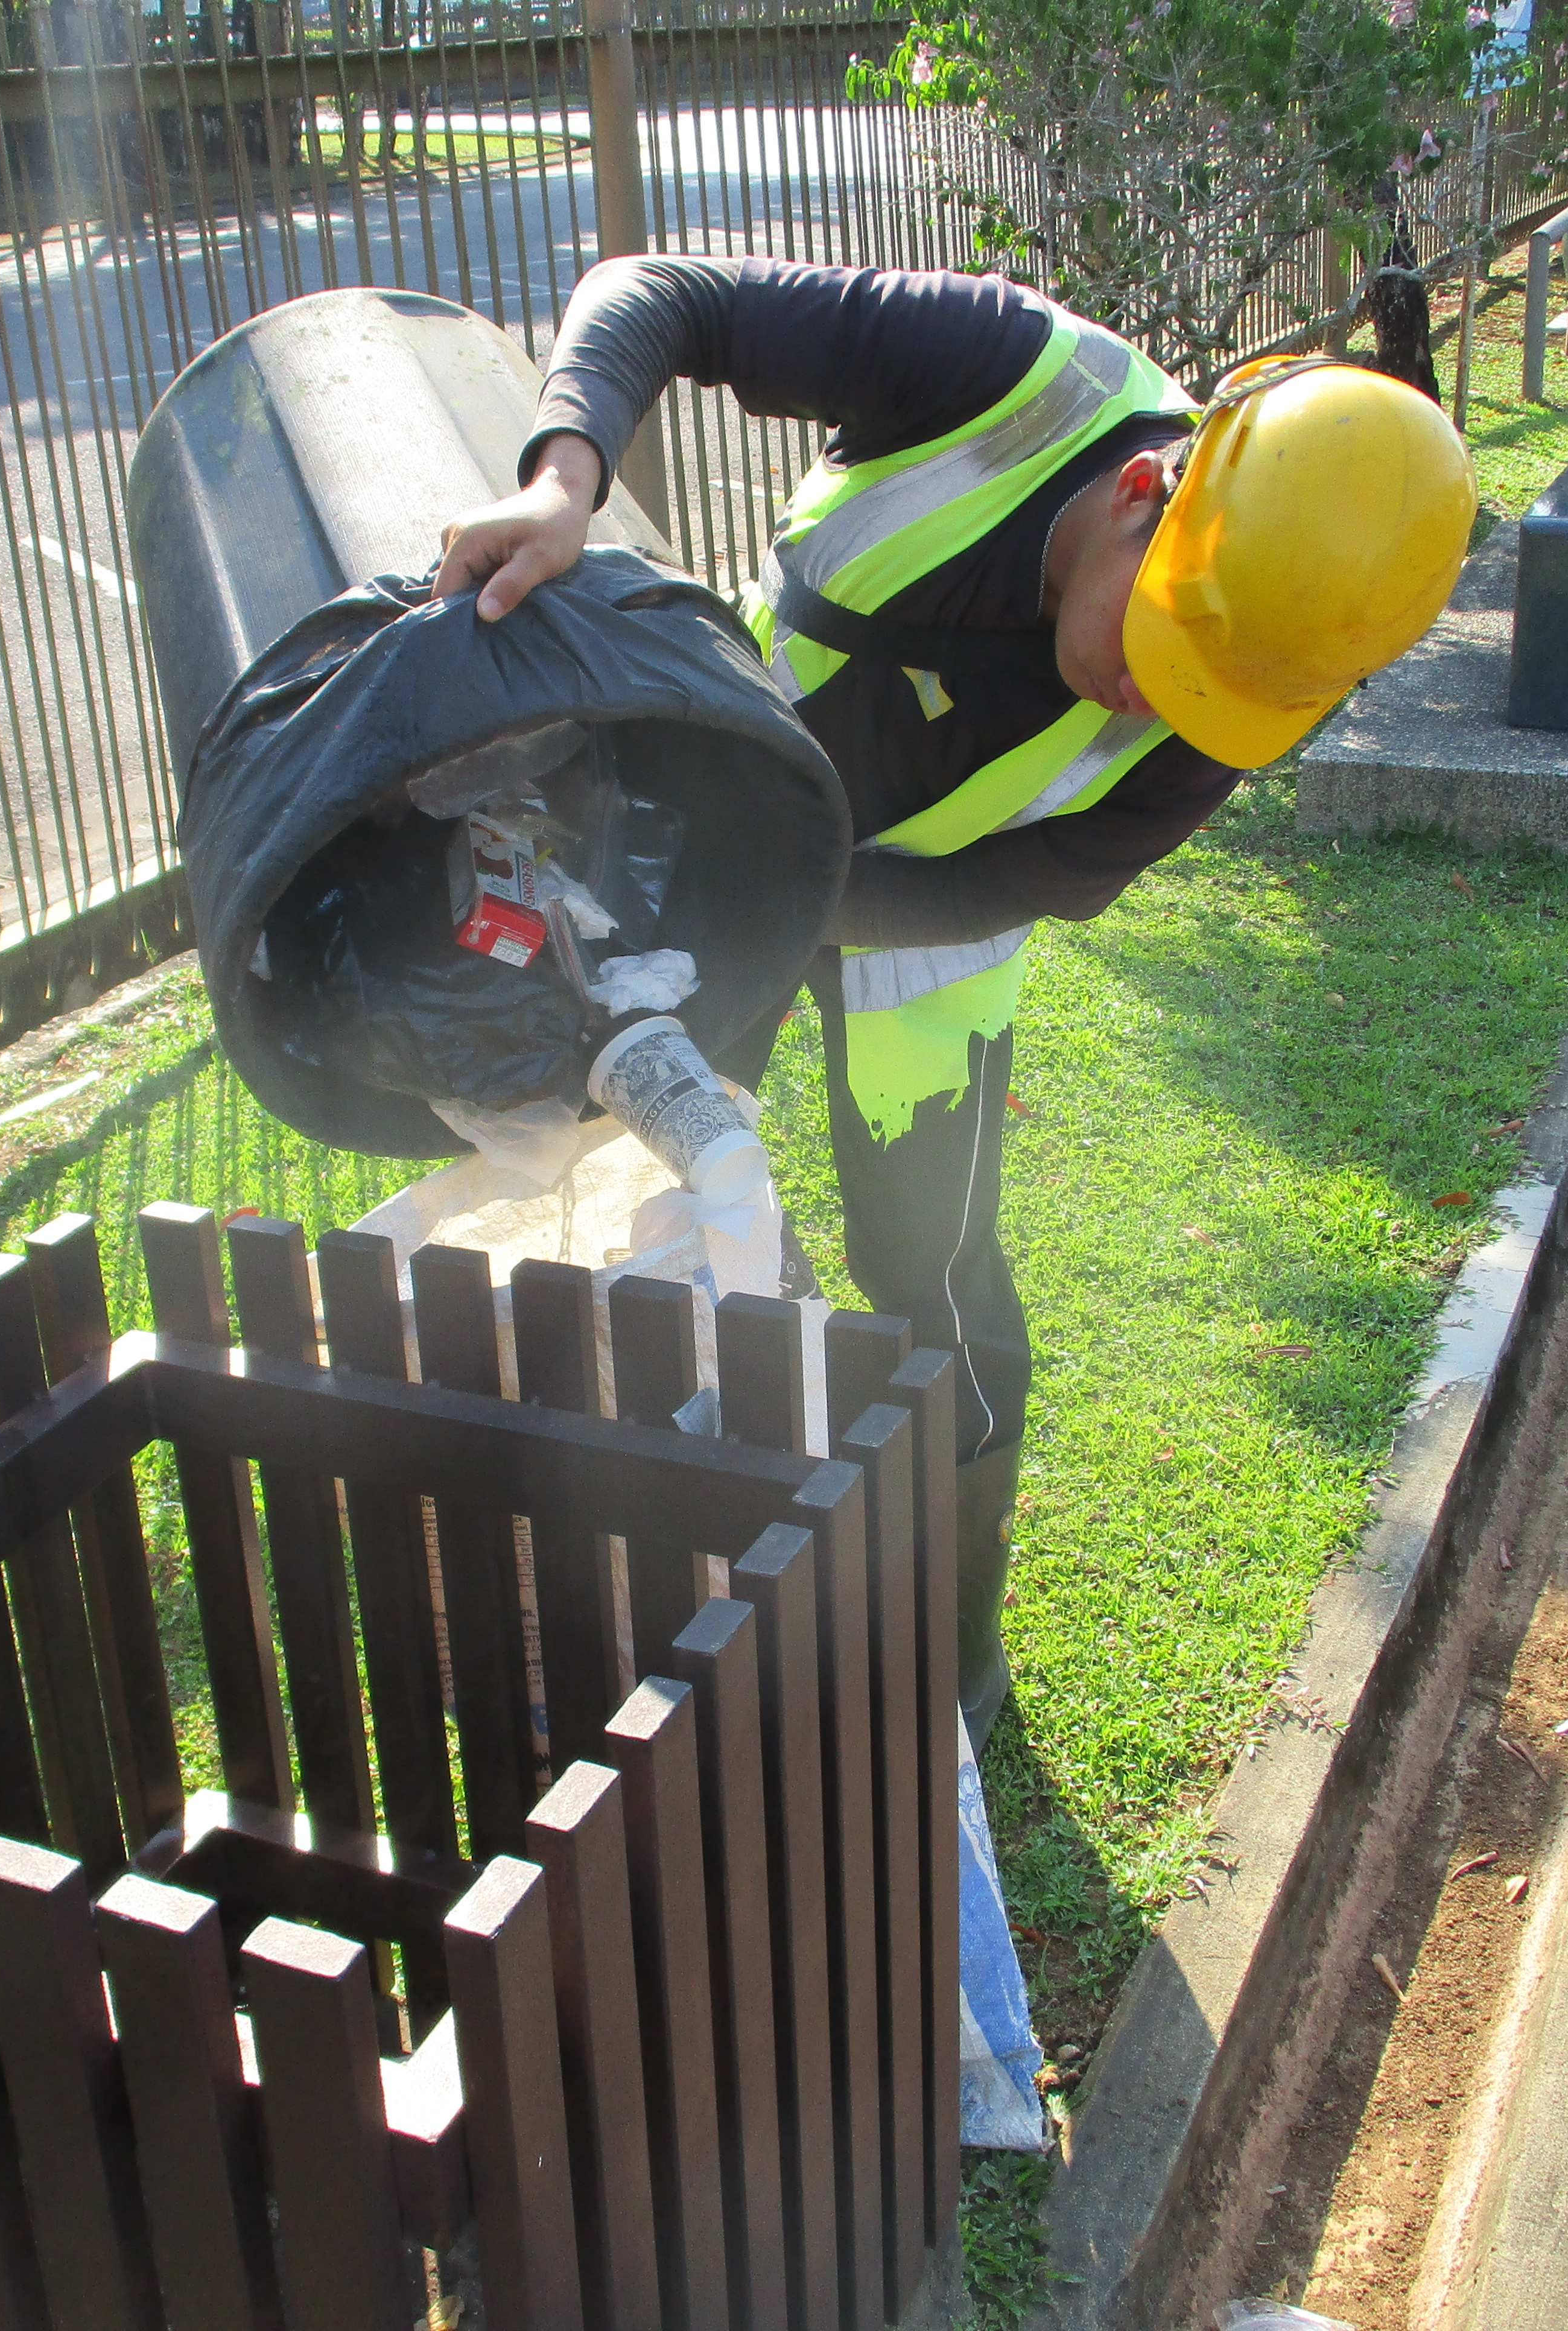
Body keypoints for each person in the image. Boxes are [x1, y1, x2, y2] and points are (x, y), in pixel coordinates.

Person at [436, 256, 1473, 1735]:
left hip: (925, 919)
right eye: (1155, 646)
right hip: (711, 825)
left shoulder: (1250, 662)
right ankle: (658, 1562)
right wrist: (562, 485)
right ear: (1134, 496)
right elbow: (660, 294)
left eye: (1206, 694)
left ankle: (953, 1639)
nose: (1155, 707)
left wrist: (815, 903)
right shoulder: (997, 371)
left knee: (932, 1273)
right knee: (640, 1184)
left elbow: (1050, 871)